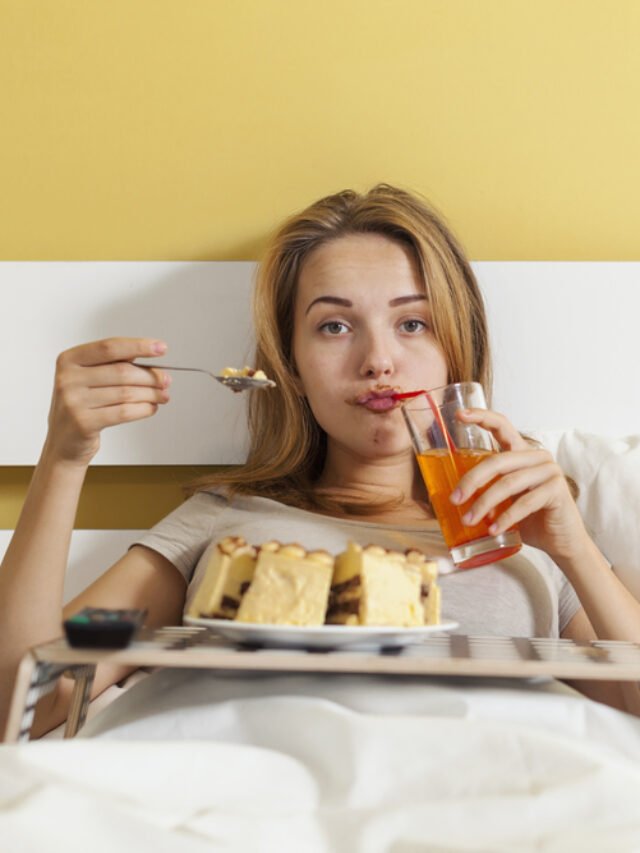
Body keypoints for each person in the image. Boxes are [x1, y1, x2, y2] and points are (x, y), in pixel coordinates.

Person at [2, 183, 640, 740]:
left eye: (412, 323)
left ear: (456, 351)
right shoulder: (222, 529)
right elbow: (26, 702)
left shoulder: (527, 540)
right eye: (334, 327)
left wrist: (574, 549)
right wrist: (64, 457)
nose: (378, 361)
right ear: (293, 369)